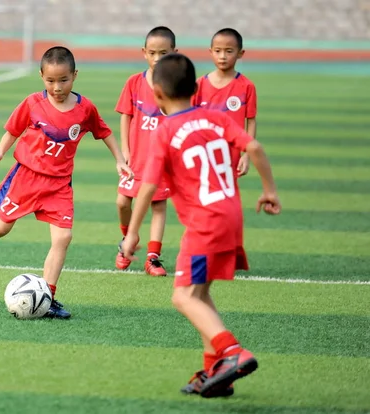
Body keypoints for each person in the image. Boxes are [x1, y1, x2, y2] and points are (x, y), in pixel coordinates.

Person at [122, 53, 281, 398]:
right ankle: (215, 373)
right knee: (200, 293)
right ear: (196, 89)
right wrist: (269, 191)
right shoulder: (215, 117)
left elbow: (147, 187)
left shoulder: (164, 131)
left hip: (204, 224)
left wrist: (133, 232)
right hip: (231, 216)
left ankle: (231, 352)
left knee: (182, 297)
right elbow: (253, 146)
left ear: (158, 97)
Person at [0, 46, 133, 319]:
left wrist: (119, 159)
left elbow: (104, 132)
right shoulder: (33, 103)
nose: (57, 87)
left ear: (75, 75)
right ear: (42, 76)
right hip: (26, 179)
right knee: (1, 228)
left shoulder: (85, 109)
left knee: (63, 237)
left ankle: (48, 297)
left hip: (59, 185)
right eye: (51, 81)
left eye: (64, 80)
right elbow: (13, 129)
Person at [114, 26, 177, 276]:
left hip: (162, 160)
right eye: (153, 53)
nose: (158, 58)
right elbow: (125, 117)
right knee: (122, 202)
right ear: (144, 53)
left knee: (158, 206)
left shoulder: (175, 86)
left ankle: (153, 258)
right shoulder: (134, 82)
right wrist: (125, 151)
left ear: (174, 53)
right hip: (136, 158)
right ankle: (128, 240)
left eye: (164, 53)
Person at [192, 28, 257, 177]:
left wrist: (247, 154)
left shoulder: (247, 86)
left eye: (229, 51)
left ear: (240, 53)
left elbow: (251, 121)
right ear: (211, 52)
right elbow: (189, 120)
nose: (222, 56)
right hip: (202, 154)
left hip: (230, 158)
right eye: (218, 51)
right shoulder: (199, 85)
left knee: (226, 198)